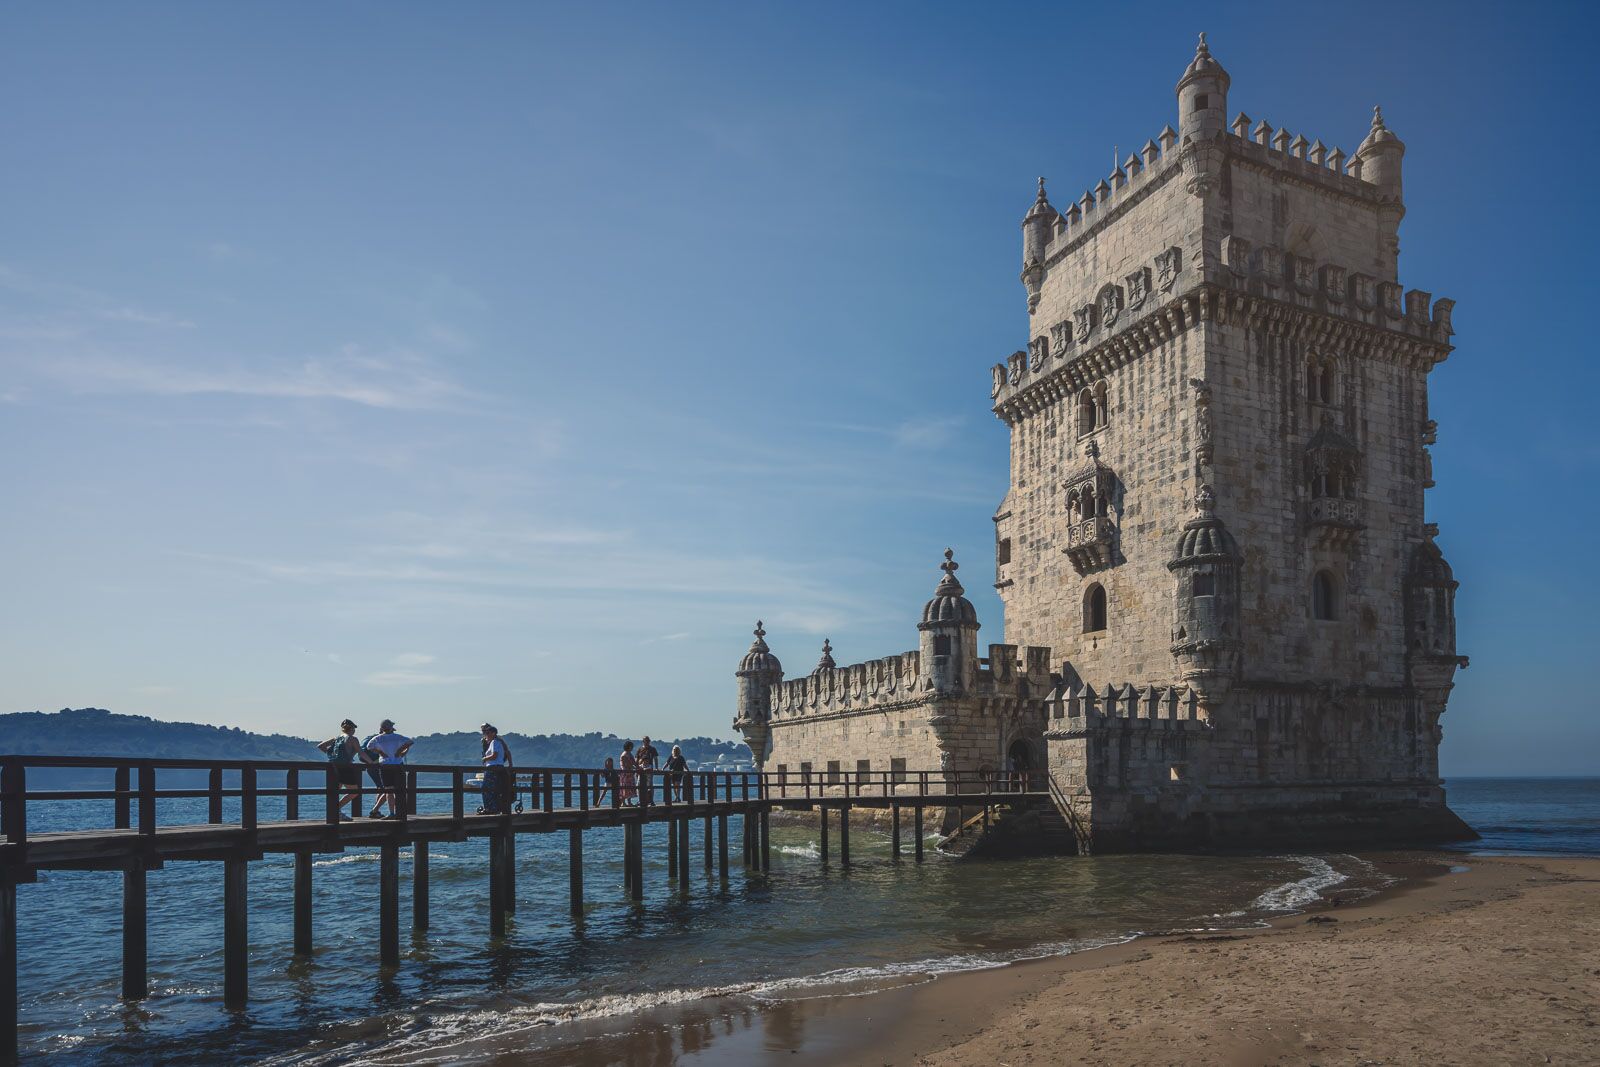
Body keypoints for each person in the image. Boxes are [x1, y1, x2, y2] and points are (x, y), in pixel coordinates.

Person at [363, 719, 413, 819]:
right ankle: (400, 812)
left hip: (385, 765)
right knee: (400, 790)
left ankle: (391, 813)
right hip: (398, 764)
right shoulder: (397, 737)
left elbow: (369, 747)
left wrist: (380, 752)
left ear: (382, 728)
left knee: (389, 790)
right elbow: (410, 741)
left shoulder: (378, 738)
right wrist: (401, 750)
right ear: (391, 728)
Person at [318, 719, 365, 819]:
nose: (354, 730)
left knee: (335, 791)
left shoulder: (336, 738)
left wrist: (330, 755)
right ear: (352, 728)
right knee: (354, 791)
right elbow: (361, 753)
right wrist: (372, 763)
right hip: (345, 768)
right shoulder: (352, 739)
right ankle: (336, 809)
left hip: (334, 767)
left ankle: (335, 813)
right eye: (354, 728)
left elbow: (321, 746)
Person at [478, 723, 511, 815]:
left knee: (486, 788)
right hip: (495, 767)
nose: (485, 733)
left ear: (493, 733)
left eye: (487, 731)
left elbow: (496, 755)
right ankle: (493, 808)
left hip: (494, 767)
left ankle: (490, 809)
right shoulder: (488, 741)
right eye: (484, 731)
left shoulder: (495, 741)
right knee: (493, 788)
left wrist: (485, 759)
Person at [636, 735, 659, 804]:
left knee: (650, 785)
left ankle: (651, 800)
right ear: (643, 741)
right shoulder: (640, 749)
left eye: (648, 741)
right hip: (641, 769)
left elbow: (655, 758)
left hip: (649, 768)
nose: (647, 742)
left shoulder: (652, 749)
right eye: (646, 740)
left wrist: (656, 767)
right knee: (639, 785)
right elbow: (636, 759)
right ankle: (641, 800)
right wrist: (637, 768)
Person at [619, 740, 638, 806]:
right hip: (626, 773)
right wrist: (636, 768)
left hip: (628, 773)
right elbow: (628, 763)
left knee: (628, 787)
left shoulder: (628, 754)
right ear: (629, 747)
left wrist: (636, 767)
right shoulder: (625, 754)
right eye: (631, 746)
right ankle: (624, 803)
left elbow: (633, 763)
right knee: (625, 787)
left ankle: (628, 802)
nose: (632, 747)